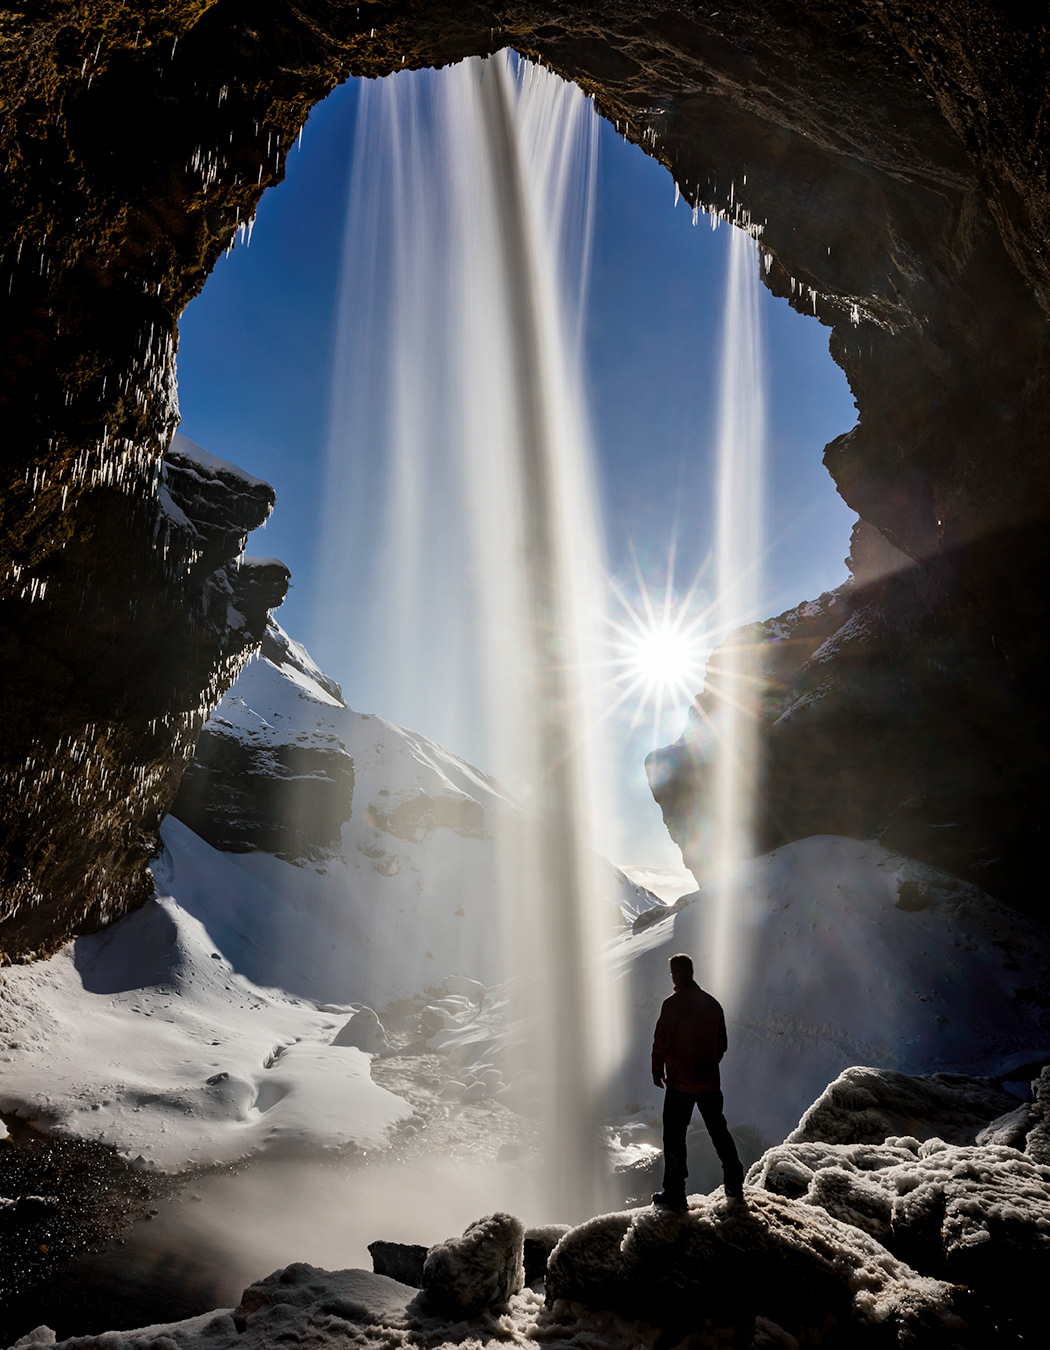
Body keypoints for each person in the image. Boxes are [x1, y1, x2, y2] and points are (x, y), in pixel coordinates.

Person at [651, 951, 745, 1208]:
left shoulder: (672, 1005)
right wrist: (706, 1066)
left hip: (679, 1084)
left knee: (674, 1137)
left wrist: (657, 1069)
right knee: (719, 1132)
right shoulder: (712, 1004)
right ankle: (735, 1185)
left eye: (672, 973)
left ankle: (674, 1193)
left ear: (677, 974)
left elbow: (661, 1041)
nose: (672, 977)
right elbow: (722, 1045)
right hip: (709, 1085)